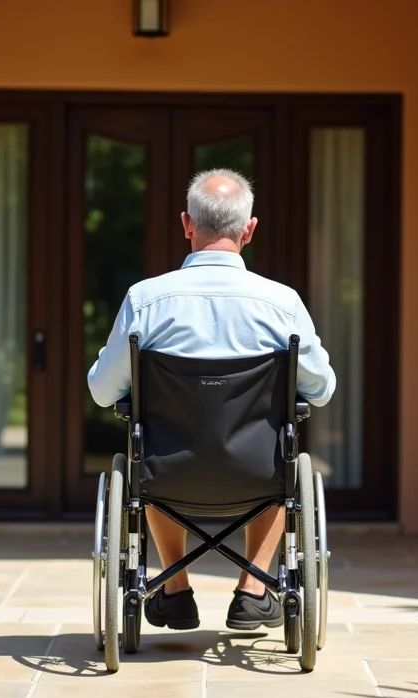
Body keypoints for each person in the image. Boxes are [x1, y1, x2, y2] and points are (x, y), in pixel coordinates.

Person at [87, 168, 336, 632]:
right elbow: (321, 389)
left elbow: (103, 392)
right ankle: (254, 589)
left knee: (150, 436)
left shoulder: (145, 300)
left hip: (167, 473)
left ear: (186, 224)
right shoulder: (282, 303)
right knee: (285, 444)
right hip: (258, 473)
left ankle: (174, 589)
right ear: (249, 229)